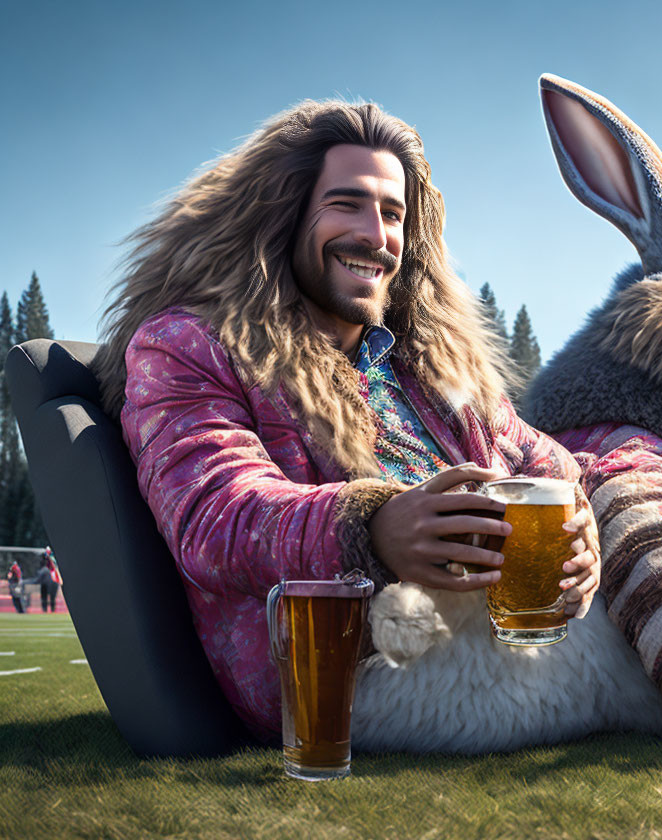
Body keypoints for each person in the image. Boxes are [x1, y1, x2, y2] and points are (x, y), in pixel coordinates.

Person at [95, 101, 600, 743]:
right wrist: (373, 527)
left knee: (631, 478)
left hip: (505, 630)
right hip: (345, 671)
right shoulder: (189, 344)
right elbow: (215, 515)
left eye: (393, 213)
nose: (376, 234)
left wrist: (582, 535)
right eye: (346, 204)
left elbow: (545, 462)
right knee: (659, 590)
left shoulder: (428, 362)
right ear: (283, 214)